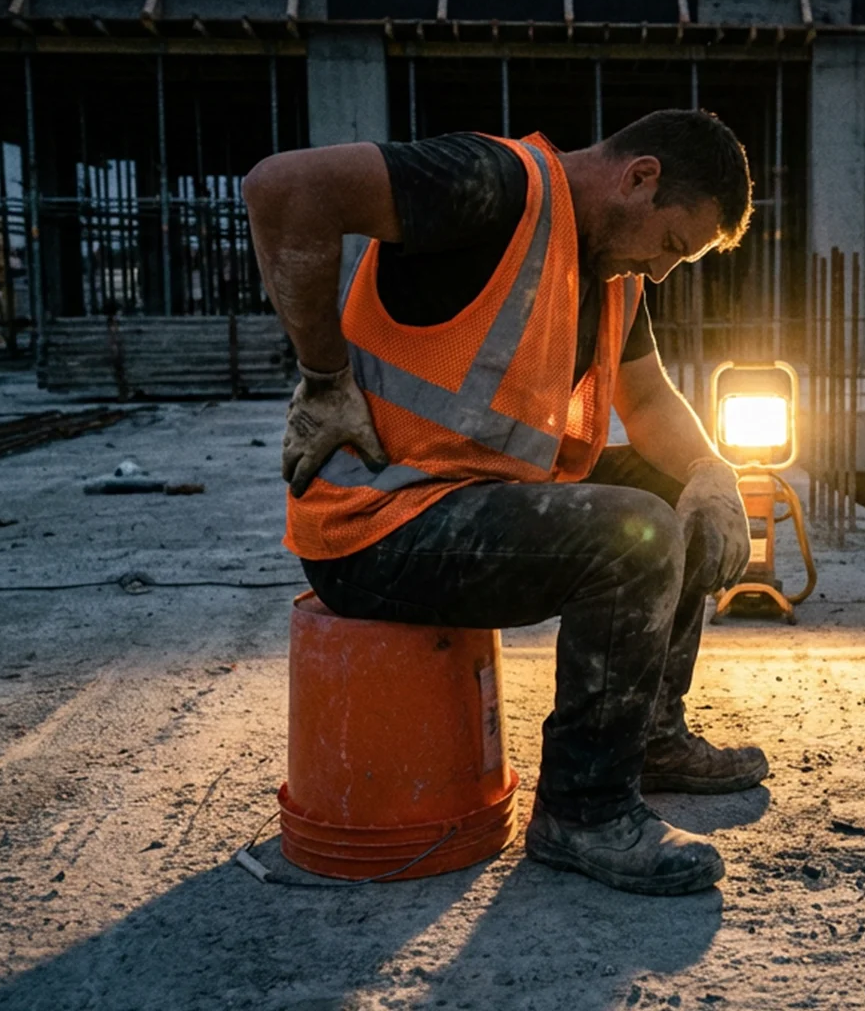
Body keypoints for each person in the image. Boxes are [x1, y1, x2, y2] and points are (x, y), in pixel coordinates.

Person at [243, 109, 766, 896]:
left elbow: (650, 399)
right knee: (636, 534)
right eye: (670, 244)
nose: (661, 271)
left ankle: (650, 734)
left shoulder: (612, 273)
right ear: (639, 178)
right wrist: (324, 378)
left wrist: (711, 471)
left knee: (671, 492)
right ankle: (583, 810)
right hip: (376, 527)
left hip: (473, 503)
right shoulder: (497, 188)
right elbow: (284, 187)